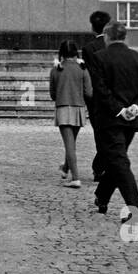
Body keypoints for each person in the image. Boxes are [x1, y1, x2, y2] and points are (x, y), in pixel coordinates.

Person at [88, 22, 138, 220]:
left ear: (106, 36)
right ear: (125, 37)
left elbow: (100, 90)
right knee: (117, 160)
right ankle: (102, 195)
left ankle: (136, 209)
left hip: (109, 119)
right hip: (131, 120)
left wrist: (119, 109)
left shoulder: (99, 58)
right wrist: (136, 108)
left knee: (119, 162)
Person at [49, 40, 93, 189]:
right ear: (76, 53)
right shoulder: (83, 69)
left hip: (63, 108)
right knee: (71, 142)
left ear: (61, 53)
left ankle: (75, 178)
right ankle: (65, 168)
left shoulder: (56, 70)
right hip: (79, 108)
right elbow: (89, 92)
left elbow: (53, 94)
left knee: (69, 145)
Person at [80, 10, 111, 180]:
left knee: (99, 133)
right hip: (114, 97)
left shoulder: (88, 48)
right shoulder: (112, 46)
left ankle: (99, 167)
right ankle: (102, 165)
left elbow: (90, 74)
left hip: (96, 98)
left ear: (92, 27)